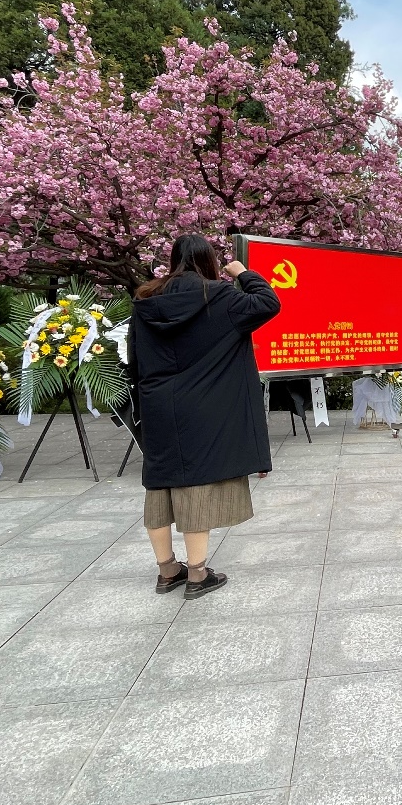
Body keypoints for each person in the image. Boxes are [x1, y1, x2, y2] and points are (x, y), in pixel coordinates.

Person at [131, 234, 281, 599]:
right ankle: (197, 574)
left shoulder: (146, 299)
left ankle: (167, 570)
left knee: (160, 484)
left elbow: (134, 355)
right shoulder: (221, 296)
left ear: (174, 259)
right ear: (210, 261)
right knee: (195, 484)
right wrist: (243, 272)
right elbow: (268, 303)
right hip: (204, 405)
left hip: (158, 404)